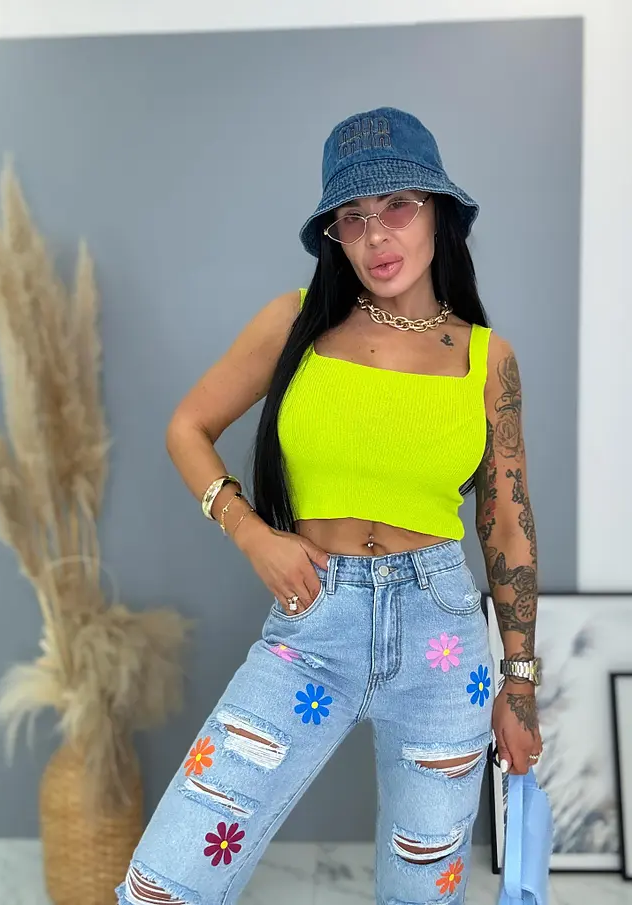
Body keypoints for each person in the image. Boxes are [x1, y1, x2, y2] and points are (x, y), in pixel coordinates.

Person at [116, 106, 543, 905]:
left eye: (397, 206)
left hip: (440, 640)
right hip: (313, 625)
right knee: (163, 884)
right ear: (333, 236)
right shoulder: (293, 323)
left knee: (422, 894)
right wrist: (251, 533)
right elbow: (187, 426)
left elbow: (508, 526)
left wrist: (517, 686)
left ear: (438, 212)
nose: (376, 235)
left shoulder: (487, 359)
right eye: (352, 216)